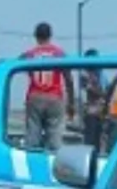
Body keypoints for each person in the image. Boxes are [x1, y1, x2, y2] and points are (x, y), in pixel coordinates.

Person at [20, 22, 76, 152]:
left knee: (33, 137)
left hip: (35, 96)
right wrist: (71, 103)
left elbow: (15, 63)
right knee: (55, 137)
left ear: (36, 36)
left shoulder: (30, 54)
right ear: (50, 35)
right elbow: (68, 79)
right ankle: (53, 164)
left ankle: (32, 164)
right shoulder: (59, 54)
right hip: (54, 97)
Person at [79, 49, 109, 151]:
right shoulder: (85, 75)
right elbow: (91, 90)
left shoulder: (101, 74)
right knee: (90, 141)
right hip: (91, 111)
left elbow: (106, 90)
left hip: (101, 111)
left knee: (98, 141)